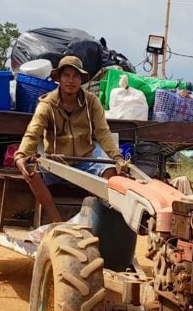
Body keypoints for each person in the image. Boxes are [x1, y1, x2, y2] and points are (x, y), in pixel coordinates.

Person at [14, 55, 128, 222]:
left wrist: (117, 158)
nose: (71, 80)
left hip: (85, 162)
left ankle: (94, 220)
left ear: (81, 79)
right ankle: (57, 222)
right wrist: (20, 156)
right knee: (30, 170)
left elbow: (103, 133)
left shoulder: (92, 102)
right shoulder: (47, 104)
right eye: (66, 75)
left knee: (111, 173)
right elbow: (33, 133)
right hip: (55, 164)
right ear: (59, 78)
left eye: (76, 76)